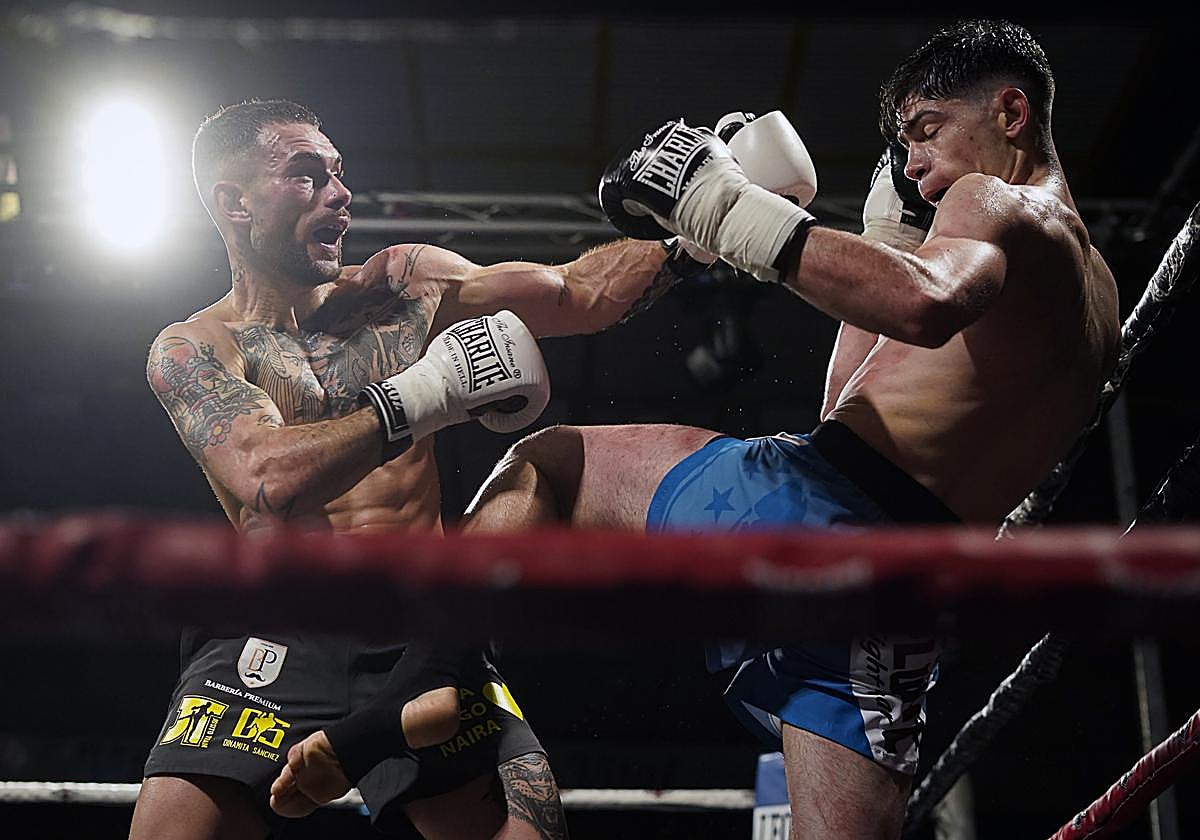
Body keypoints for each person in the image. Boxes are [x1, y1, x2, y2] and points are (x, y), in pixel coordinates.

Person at [451, 18, 1121, 839]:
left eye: (926, 130)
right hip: (900, 604)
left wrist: (722, 203)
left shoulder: (995, 201)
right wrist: (888, 238)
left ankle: (438, 676)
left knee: (549, 464)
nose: (911, 161)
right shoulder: (1101, 296)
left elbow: (924, 302)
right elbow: (857, 393)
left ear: (1011, 112)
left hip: (809, 503)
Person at [134, 97, 722, 840]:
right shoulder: (191, 347)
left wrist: (702, 227)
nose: (339, 193)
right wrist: (422, 393)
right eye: (307, 175)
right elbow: (267, 478)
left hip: (420, 640)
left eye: (340, 174)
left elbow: (579, 292)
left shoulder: (403, 288)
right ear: (234, 202)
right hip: (272, 633)